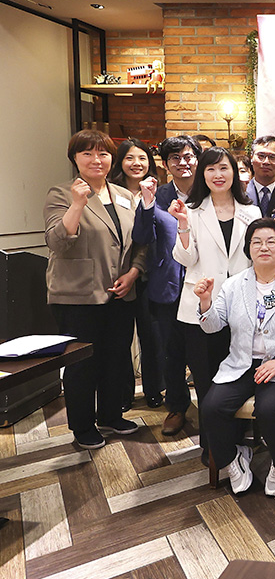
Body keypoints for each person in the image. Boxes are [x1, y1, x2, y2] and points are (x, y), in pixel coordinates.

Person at [195, 218, 275, 496]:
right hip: (242, 363)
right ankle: (233, 460)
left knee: (269, 408)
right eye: (257, 242)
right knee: (211, 407)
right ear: (248, 248)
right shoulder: (234, 284)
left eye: (271, 241)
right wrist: (205, 302)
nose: (264, 247)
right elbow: (213, 326)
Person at [44, 130, 147, 449]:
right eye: (87, 153)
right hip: (78, 295)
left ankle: (110, 415)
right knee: (82, 363)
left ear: (111, 158)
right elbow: (57, 242)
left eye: (102, 153)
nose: (96, 160)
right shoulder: (62, 193)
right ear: (74, 158)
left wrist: (133, 273)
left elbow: (140, 242)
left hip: (120, 292)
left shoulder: (124, 195)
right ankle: (82, 425)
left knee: (116, 358)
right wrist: (77, 204)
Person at [170, 147, 262, 462]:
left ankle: (238, 442)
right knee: (207, 380)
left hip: (241, 308)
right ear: (203, 174)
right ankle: (213, 448)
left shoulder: (251, 212)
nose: (218, 175)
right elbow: (185, 258)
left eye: (224, 168)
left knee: (236, 377)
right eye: (211, 169)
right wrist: (183, 225)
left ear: (235, 173)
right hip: (201, 307)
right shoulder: (192, 211)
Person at [132, 135, 203, 435]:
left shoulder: (211, 191)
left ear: (197, 159)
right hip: (168, 285)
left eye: (188, 156)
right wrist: (147, 204)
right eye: (175, 158)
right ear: (164, 164)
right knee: (171, 351)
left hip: (205, 285)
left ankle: (211, 406)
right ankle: (176, 406)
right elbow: (141, 237)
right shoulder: (157, 195)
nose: (182, 163)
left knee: (206, 350)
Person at [109, 138, 161, 409]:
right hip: (118, 277)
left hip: (150, 277)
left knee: (151, 337)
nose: (136, 163)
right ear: (120, 162)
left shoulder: (159, 192)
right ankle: (123, 394)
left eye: (142, 158)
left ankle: (153, 390)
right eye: (130, 158)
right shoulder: (110, 193)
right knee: (120, 338)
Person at [247, 135, 275, 216]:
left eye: (272, 157)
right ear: (251, 159)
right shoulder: (240, 194)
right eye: (261, 156)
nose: (266, 162)